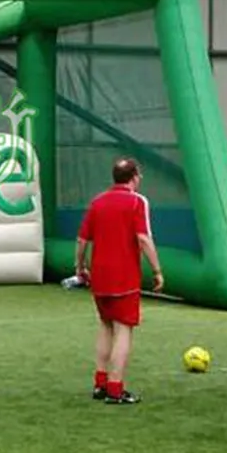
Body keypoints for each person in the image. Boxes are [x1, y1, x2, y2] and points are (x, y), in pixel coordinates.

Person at [75, 157, 163, 405]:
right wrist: (157, 270)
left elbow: (82, 240)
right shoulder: (137, 202)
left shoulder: (97, 201)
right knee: (123, 329)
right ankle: (115, 389)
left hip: (100, 277)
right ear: (134, 177)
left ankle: (100, 384)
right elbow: (143, 238)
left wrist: (80, 267)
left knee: (105, 326)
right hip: (124, 277)